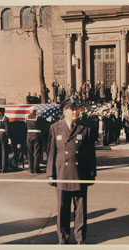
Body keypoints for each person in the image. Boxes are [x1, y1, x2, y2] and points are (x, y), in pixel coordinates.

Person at [46, 97, 96, 244]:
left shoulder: (85, 128)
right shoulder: (55, 128)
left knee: (80, 209)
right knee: (62, 209)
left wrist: (91, 174)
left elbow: (90, 154)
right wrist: (50, 174)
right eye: (72, 109)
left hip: (80, 174)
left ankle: (81, 239)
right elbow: (51, 152)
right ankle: (63, 238)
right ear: (64, 111)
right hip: (62, 174)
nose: (75, 112)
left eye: (77, 109)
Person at [26, 106, 45, 174]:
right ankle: (36, 168)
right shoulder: (38, 117)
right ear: (35, 111)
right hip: (37, 135)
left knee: (30, 152)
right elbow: (43, 125)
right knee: (37, 152)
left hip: (29, 135)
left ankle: (31, 169)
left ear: (30, 111)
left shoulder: (27, 118)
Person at [0, 106, 11, 173]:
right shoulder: (5, 118)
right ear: (4, 111)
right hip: (3, 134)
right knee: (4, 150)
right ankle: (4, 167)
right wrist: (9, 137)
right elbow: (7, 129)